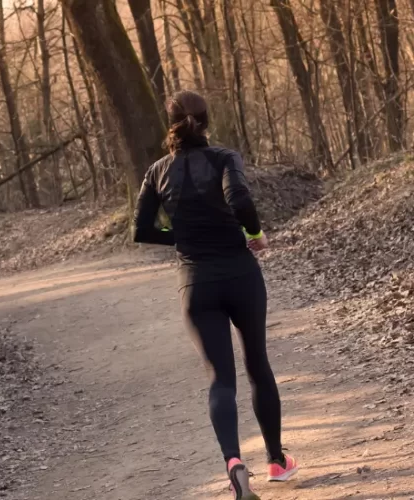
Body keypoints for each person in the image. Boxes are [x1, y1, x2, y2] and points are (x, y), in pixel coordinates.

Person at [132, 90, 298, 499]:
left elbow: (141, 230)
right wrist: (255, 235)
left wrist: (183, 237)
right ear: (206, 120)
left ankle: (233, 461)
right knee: (257, 363)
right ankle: (276, 461)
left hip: (196, 281)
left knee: (219, 378)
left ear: (168, 123)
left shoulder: (156, 171)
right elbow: (239, 198)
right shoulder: (224, 158)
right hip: (240, 274)